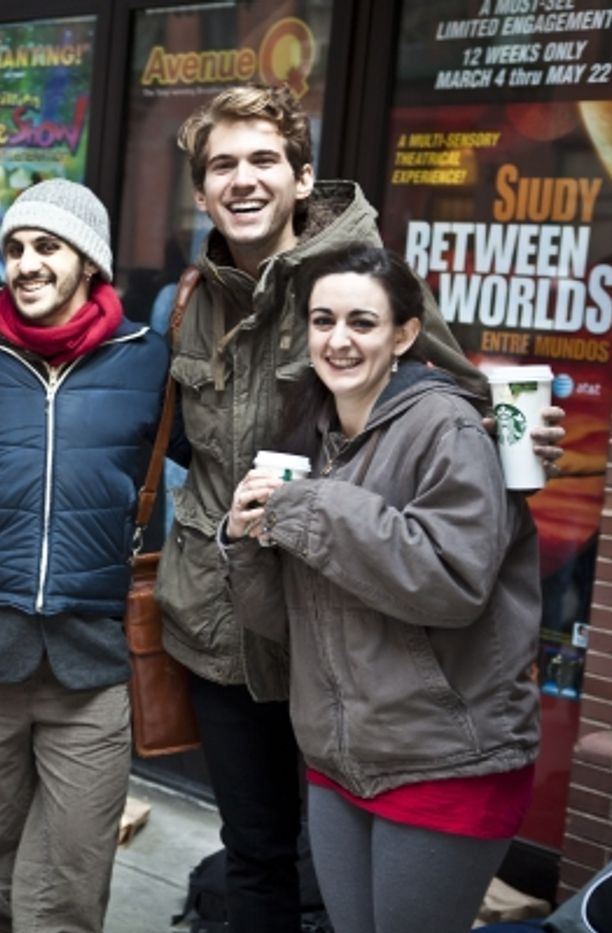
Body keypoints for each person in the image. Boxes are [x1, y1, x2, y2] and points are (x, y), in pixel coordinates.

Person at [157, 83, 563, 933]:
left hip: (335, 625)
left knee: (342, 863)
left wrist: (524, 444)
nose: (244, 179)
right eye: (223, 164)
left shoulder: (357, 280)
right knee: (253, 853)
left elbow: (452, 408)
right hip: (228, 616)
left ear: (302, 178)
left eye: (264, 159)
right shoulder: (190, 302)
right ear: (200, 192)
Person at [221, 245, 541, 933]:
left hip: (444, 756)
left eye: (362, 322)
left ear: (404, 333)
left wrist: (308, 507)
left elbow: (451, 581)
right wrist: (247, 540)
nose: (338, 340)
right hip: (341, 755)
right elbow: (281, 622)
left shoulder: (448, 427)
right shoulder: (313, 433)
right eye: (323, 320)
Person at [0, 178, 170, 933]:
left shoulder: (146, 359)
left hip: (89, 661)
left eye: (47, 247)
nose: (26, 263)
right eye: (15, 248)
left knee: (72, 883)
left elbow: (230, 446)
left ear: (89, 262)